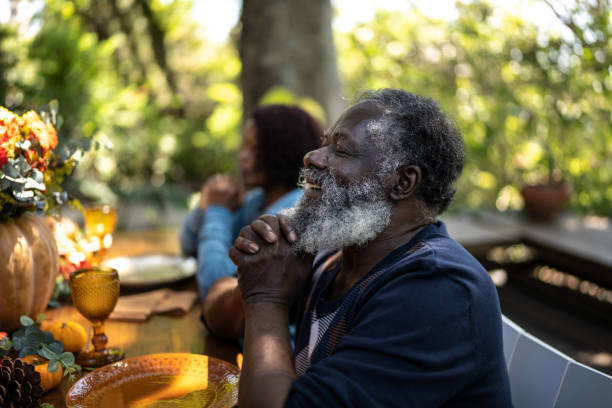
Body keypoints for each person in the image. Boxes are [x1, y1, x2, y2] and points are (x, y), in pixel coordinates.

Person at [223, 89, 513, 407]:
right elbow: (217, 316)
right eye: (324, 143)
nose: (313, 157)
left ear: (403, 182)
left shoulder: (440, 288)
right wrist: (258, 267)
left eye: (341, 149)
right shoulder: (334, 258)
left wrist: (265, 298)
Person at [180, 105, 323, 307]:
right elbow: (189, 246)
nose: (242, 156)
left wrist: (217, 210)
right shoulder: (259, 199)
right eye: (243, 147)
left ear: (283, 150)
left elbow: (212, 287)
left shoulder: (292, 213)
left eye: (254, 148)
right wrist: (207, 202)